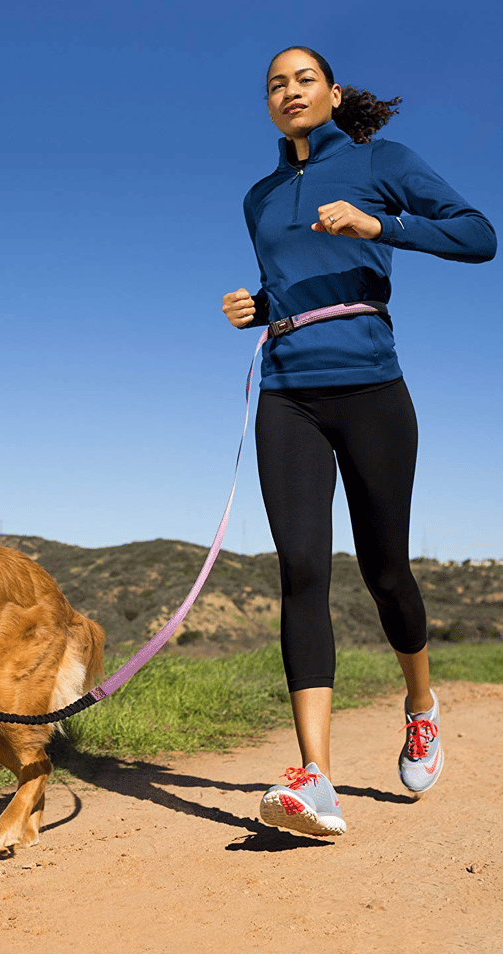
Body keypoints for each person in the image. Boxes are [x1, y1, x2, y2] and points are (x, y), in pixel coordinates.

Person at [222, 46, 496, 837]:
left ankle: (420, 703)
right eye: (275, 83)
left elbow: (480, 236)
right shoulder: (260, 196)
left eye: (303, 79)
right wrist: (259, 302)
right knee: (301, 567)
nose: (289, 91)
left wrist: (380, 221)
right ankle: (317, 776)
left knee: (384, 571)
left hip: (373, 387)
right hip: (288, 393)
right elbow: (292, 276)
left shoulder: (383, 161)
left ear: (333, 94)